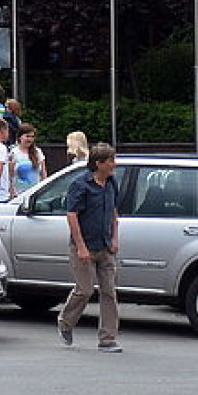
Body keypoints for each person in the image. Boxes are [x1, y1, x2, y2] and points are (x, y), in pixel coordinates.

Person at [57, 142, 123, 353]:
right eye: (110, 160)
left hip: (105, 246)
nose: (114, 164)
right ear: (98, 163)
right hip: (84, 246)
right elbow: (72, 215)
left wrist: (114, 238)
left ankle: (107, 339)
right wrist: (81, 247)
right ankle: (66, 322)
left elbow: (113, 211)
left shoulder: (111, 183)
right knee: (84, 290)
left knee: (109, 292)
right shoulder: (81, 185)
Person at [11, 124, 47, 193]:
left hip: (35, 193)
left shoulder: (38, 152)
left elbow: (43, 173)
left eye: (32, 137)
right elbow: (10, 176)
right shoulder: (13, 153)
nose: (30, 139)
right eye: (27, 136)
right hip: (19, 194)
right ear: (19, 137)